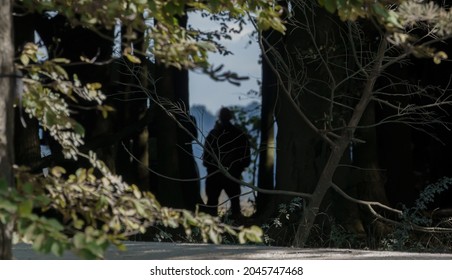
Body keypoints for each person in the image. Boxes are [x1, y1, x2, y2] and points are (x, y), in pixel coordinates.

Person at [202, 107, 251, 218]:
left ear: (219, 117)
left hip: (216, 173)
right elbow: (246, 157)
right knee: (234, 202)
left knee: (212, 203)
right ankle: (235, 223)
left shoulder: (213, 134)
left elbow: (206, 157)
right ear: (231, 117)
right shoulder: (239, 134)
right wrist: (238, 167)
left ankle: (210, 224)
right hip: (232, 173)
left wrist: (212, 166)